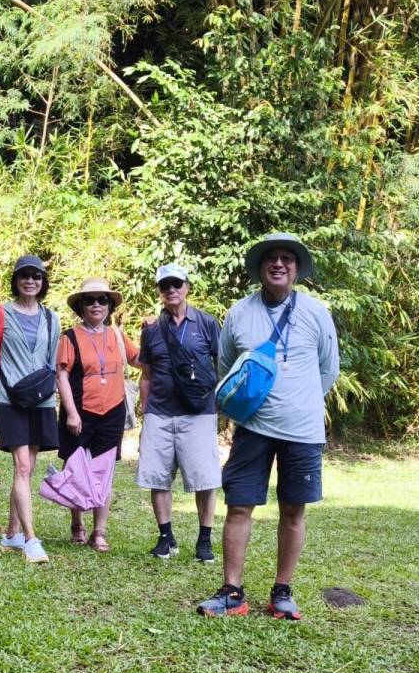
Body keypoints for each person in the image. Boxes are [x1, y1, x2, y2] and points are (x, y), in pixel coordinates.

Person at [198, 233, 339, 621]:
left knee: (293, 512)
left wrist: (300, 400)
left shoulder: (315, 312)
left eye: (286, 259)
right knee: (239, 506)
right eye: (271, 259)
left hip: (304, 431)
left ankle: (282, 591)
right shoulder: (240, 313)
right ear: (260, 268)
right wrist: (251, 405)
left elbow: (329, 369)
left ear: (296, 270)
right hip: (253, 427)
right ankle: (232, 592)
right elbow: (226, 368)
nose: (279, 264)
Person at [136, 263, 223, 562]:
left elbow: (222, 366)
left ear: (187, 287)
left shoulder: (207, 323)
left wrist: (220, 407)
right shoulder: (151, 330)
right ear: (159, 292)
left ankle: (205, 539)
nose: (171, 290)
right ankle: (166, 537)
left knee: (205, 477)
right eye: (165, 286)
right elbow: (146, 373)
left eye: (177, 284)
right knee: (158, 476)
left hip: (198, 412)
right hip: (160, 412)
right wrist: (146, 413)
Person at [0, 256, 62, 563]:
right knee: (23, 468)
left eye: (36, 276)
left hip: (41, 399)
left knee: (27, 468)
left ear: (43, 282)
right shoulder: (0, 314)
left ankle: (12, 534)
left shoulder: (52, 318)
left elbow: (52, 362)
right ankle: (31, 540)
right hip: (10, 397)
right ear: (15, 280)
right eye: (24, 276)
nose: (30, 281)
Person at [53, 277, 140, 552]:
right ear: (81, 306)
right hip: (79, 412)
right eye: (89, 300)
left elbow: (142, 360)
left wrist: (155, 332)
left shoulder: (116, 335)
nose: (96, 305)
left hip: (112, 412)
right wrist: (71, 413)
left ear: (109, 306)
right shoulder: (69, 337)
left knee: (105, 472)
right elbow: (61, 375)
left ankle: (99, 531)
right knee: (75, 469)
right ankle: (77, 524)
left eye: (102, 300)